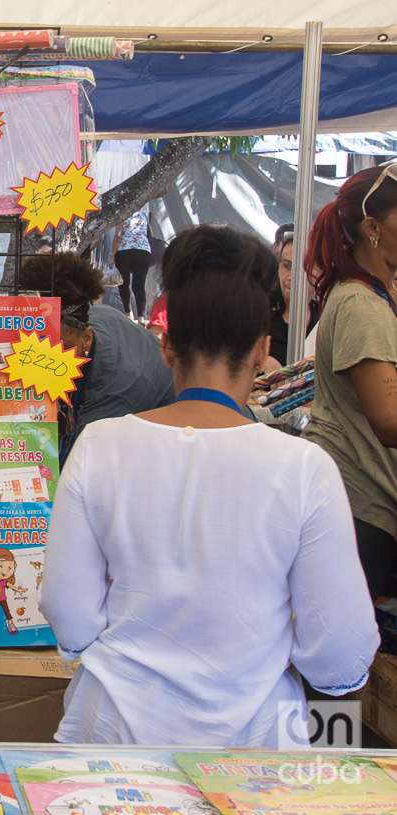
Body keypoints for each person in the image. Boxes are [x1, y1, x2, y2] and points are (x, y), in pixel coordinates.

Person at [40, 225, 378, 747]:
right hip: (257, 753)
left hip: (112, 741)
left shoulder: (99, 446)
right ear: (263, 347)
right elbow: (341, 653)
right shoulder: (304, 467)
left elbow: (69, 616)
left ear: (166, 346)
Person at [303, 164, 397, 599]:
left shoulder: (373, 295)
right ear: (372, 227)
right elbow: (389, 418)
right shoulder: (361, 304)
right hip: (363, 506)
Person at [20, 253, 175, 460]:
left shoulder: (113, 391)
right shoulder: (82, 319)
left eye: (56, 347)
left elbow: (84, 466)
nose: (43, 359)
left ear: (86, 338)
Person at [266, 226, 318, 368]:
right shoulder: (261, 318)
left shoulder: (326, 319)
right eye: (286, 266)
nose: (291, 277)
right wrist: (262, 362)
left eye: (302, 268)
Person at [112, 205, 152, 318]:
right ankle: (141, 318)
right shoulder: (145, 210)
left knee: (123, 284)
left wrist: (112, 254)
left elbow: (118, 235)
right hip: (143, 251)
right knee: (139, 286)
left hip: (124, 251)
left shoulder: (121, 211)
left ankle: (128, 314)